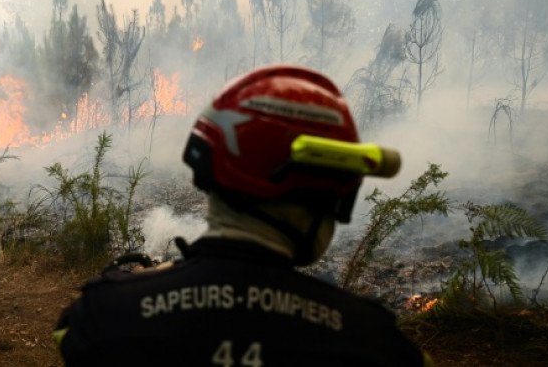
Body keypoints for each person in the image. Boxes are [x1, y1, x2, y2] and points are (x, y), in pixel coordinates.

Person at [54, 65, 432, 366]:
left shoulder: (104, 316)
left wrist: (157, 280)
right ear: (321, 195)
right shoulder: (372, 341)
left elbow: (72, 336)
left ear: (210, 174)